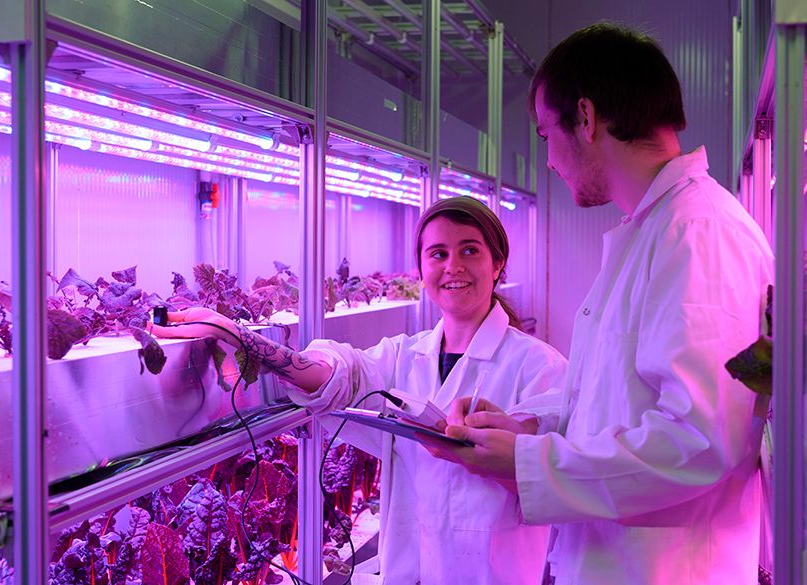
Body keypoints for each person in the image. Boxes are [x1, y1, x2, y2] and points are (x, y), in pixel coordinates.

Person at [426, 22, 774, 585]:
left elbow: (699, 441)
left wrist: (526, 464)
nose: (549, 161)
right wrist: (529, 427)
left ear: (585, 118)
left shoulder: (698, 234)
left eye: (545, 136)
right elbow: (617, 402)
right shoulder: (655, 231)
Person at [151, 196, 567, 585]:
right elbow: (337, 376)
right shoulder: (404, 357)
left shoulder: (540, 368)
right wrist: (238, 335)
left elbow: (558, 481)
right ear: (421, 272)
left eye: (470, 250)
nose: (453, 265)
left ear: (498, 264)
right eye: (438, 253)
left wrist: (499, 452)